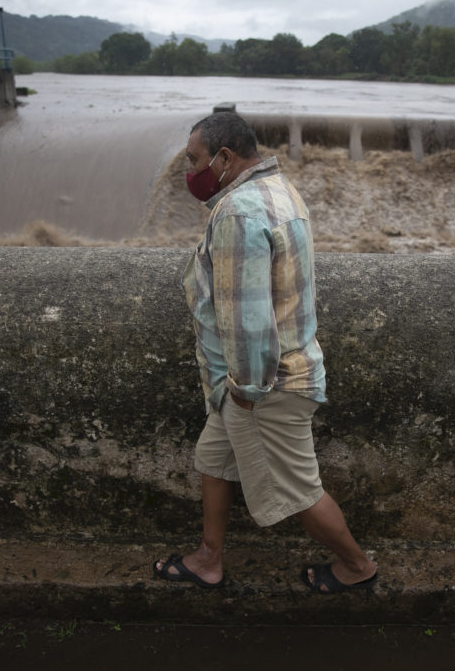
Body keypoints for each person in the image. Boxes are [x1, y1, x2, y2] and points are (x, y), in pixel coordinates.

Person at [153, 112, 378, 594]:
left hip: (263, 385)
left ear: (225, 157)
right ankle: (209, 559)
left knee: (299, 492)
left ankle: (358, 567)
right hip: (257, 378)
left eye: (194, 160)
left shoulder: (237, 212)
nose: (189, 171)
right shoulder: (280, 189)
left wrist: (247, 394)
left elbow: (248, 320)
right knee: (213, 459)